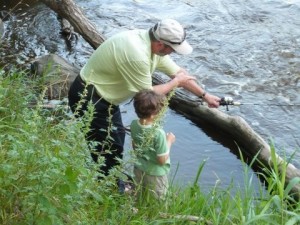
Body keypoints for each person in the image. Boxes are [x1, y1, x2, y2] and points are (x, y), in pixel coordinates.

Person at [68, 18, 220, 188]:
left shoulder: (152, 46)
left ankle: (112, 181)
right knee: (106, 147)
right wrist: (175, 83)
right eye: (173, 50)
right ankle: (111, 190)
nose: (173, 53)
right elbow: (146, 94)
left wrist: (205, 95)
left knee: (116, 141)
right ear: (161, 44)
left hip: (106, 98)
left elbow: (179, 74)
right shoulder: (137, 55)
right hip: (89, 97)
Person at [130, 89, 175, 200]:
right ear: (153, 115)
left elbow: (135, 146)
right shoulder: (158, 133)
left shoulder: (134, 124)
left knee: (141, 193)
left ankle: (139, 207)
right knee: (159, 199)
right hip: (156, 174)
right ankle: (157, 215)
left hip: (139, 167)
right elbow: (162, 160)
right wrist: (169, 141)